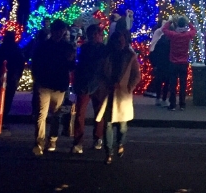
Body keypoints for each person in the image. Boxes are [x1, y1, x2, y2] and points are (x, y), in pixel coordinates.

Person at [31, 20, 76, 156]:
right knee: (43, 114)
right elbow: (36, 65)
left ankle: (50, 140)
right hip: (48, 84)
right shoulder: (45, 46)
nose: (60, 33)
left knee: (54, 114)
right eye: (58, 31)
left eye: (62, 31)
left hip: (57, 85)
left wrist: (70, 61)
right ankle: (42, 141)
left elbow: (71, 67)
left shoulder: (63, 47)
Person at [97, 30, 140, 164]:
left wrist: (129, 87)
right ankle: (108, 152)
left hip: (122, 94)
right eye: (118, 41)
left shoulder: (130, 56)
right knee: (108, 124)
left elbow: (136, 75)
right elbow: (101, 72)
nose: (120, 43)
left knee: (122, 124)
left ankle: (120, 143)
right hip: (109, 92)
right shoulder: (108, 55)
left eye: (122, 41)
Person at [71, 24, 107, 153]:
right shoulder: (86, 48)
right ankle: (80, 140)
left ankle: (95, 138)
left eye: (96, 34)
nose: (95, 37)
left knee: (97, 113)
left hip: (97, 84)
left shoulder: (102, 49)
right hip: (87, 83)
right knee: (81, 113)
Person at [0, 30, 25, 131]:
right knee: (7, 100)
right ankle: (2, 120)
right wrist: (18, 76)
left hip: (0, 77)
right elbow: (21, 64)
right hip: (11, 78)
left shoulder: (0, 50)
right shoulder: (16, 50)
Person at [163, 16, 196, 111]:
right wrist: (188, 21)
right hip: (183, 62)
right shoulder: (187, 35)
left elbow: (164, 29)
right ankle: (182, 104)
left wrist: (170, 21)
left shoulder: (173, 35)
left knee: (172, 84)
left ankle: (172, 104)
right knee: (183, 84)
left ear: (177, 24)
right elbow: (194, 30)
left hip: (173, 62)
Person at [148, 20, 171, 107]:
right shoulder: (167, 38)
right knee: (166, 82)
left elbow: (155, 52)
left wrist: (155, 63)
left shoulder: (159, 42)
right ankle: (164, 98)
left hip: (160, 63)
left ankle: (158, 98)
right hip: (167, 63)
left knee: (159, 81)